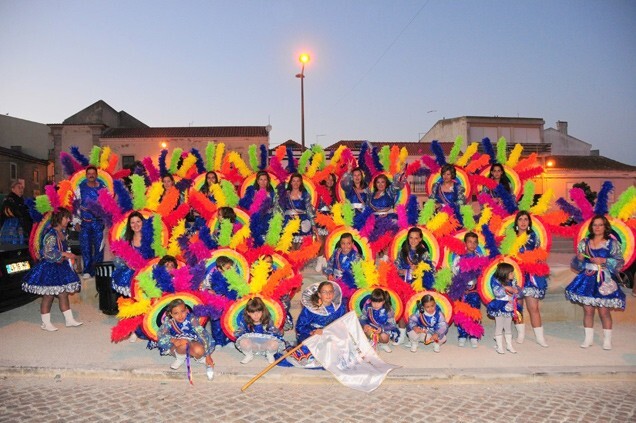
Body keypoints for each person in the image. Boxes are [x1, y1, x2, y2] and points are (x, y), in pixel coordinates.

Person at [565, 215, 626, 350]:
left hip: (604, 279)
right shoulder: (584, 242)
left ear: (605, 227)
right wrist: (579, 259)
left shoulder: (612, 243)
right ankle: (588, 339)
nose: (597, 227)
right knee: (588, 311)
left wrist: (605, 261)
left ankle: (607, 340)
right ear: (591, 227)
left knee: (604, 312)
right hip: (587, 279)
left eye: (600, 225)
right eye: (595, 225)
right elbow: (576, 265)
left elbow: (620, 262)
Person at [21, 207, 83, 331]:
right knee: (48, 295)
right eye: (66, 217)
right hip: (49, 268)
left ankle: (69, 320)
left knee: (63, 294)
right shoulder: (51, 234)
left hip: (60, 266)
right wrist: (65, 254)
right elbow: (47, 252)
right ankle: (45, 323)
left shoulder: (62, 232)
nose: (68, 220)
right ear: (58, 218)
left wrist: (68, 256)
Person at [394, 227, 436, 345]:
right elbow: (395, 268)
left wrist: (419, 269)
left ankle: (413, 336)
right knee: (402, 307)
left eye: (416, 238)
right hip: (403, 284)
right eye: (411, 238)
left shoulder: (424, 253)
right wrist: (403, 271)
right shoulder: (402, 252)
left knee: (414, 310)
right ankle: (402, 334)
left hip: (418, 285)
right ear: (408, 238)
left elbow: (430, 270)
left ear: (420, 239)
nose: (413, 240)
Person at [513, 211, 549, 347]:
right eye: (520, 219)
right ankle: (520, 334)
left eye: (525, 219)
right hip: (516, 275)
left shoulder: (534, 237)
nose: (523, 222)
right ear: (516, 222)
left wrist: (536, 260)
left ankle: (540, 337)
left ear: (529, 222)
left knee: (533, 307)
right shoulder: (510, 237)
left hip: (531, 275)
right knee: (517, 308)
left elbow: (541, 256)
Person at [156, 298, 215, 380]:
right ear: (171, 314)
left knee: (199, 350)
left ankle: (201, 358)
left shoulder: (192, 319)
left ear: (186, 310)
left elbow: (202, 334)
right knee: (183, 344)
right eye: (176, 313)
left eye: (182, 311)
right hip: (177, 347)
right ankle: (180, 358)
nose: (180, 316)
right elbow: (160, 335)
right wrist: (173, 340)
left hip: (192, 343)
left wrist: (208, 355)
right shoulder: (169, 322)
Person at [294, 281, 346, 365]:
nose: (328, 294)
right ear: (319, 294)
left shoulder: (340, 308)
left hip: (331, 333)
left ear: (334, 293)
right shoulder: (311, 309)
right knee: (310, 346)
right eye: (324, 292)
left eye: (330, 291)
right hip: (314, 334)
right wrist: (312, 332)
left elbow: (343, 323)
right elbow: (300, 326)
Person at [451, 231, 483, 348]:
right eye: (469, 242)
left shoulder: (480, 257)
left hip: (475, 290)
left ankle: (474, 335)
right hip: (462, 290)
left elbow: (483, 273)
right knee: (462, 312)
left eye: (475, 242)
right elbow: (454, 272)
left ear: (477, 244)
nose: (472, 244)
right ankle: (462, 335)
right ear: (465, 243)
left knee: (475, 310)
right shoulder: (458, 257)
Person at [73, 165, 106, 279]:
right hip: (85, 223)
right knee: (85, 247)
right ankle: (87, 270)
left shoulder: (103, 188)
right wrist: (76, 221)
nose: (91, 175)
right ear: (86, 175)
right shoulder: (80, 188)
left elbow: (107, 206)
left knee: (99, 248)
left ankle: (98, 270)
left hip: (99, 223)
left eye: (93, 173)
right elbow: (76, 206)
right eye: (89, 174)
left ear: (96, 175)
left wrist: (106, 220)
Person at [234, 297, 285, 364]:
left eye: (258, 312)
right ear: (248, 313)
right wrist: (239, 332)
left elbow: (274, 333)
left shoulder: (268, 321)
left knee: (275, 343)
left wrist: (278, 332)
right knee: (242, 341)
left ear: (262, 311)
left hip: (265, 345)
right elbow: (239, 332)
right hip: (252, 345)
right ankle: (249, 355)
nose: (256, 315)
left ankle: (269, 354)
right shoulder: (245, 321)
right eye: (252, 312)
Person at [486, 262, 522, 354]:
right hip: (499, 306)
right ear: (504, 273)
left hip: (509, 306)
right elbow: (497, 293)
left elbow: (518, 292)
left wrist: (515, 291)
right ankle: (499, 346)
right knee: (499, 325)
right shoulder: (496, 281)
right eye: (511, 273)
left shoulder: (512, 281)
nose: (513, 274)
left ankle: (509, 345)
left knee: (508, 326)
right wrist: (507, 288)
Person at [111, 211, 145, 297]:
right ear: (129, 225)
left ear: (143, 222)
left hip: (147, 272)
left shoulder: (151, 239)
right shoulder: (127, 239)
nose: (136, 225)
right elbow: (120, 257)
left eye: (138, 221)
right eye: (132, 223)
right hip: (130, 272)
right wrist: (128, 263)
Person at [279, 173, 316, 247]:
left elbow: (309, 209)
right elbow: (281, 209)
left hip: (302, 221)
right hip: (287, 221)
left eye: (298, 181)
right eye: (294, 181)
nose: (296, 183)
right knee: (288, 245)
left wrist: (313, 224)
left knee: (302, 246)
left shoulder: (305, 195)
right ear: (291, 182)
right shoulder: (285, 195)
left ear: (301, 182)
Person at [359, 288, 398, 353]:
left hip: (383, 329)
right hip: (371, 327)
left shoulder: (388, 310)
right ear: (371, 300)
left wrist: (382, 328)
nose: (376, 304)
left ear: (383, 301)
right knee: (362, 327)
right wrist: (365, 325)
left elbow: (393, 324)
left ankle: (383, 344)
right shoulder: (367, 307)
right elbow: (362, 318)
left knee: (384, 337)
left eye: (379, 302)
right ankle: (372, 341)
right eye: (374, 302)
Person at [0, 181, 32, 245]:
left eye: (22, 188)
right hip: (12, 227)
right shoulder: (8, 199)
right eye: (19, 187)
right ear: (13, 189)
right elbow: (9, 212)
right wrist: (22, 213)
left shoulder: (24, 200)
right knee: (13, 245)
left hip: (24, 228)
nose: (21, 189)